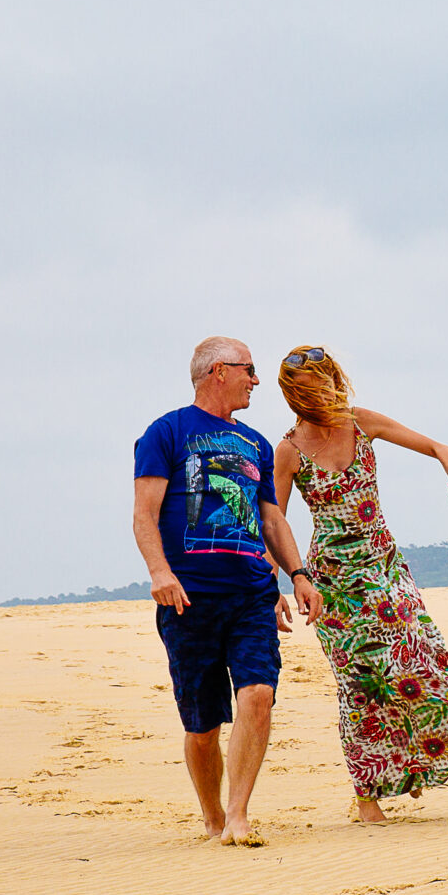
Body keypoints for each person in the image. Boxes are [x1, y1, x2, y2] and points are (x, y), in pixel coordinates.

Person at [269, 345, 448, 823]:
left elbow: (439, 448)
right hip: (333, 583)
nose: (319, 395)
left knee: (417, 658)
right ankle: (367, 795)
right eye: (306, 390)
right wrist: (281, 584)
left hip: (384, 567)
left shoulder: (361, 422)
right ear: (292, 395)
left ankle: (436, 745)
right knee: (359, 685)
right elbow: (274, 521)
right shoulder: (288, 450)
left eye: (323, 384)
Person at [134, 337, 321, 846]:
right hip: (188, 597)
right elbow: (144, 513)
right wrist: (160, 572)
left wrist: (297, 575)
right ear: (219, 370)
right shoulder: (166, 432)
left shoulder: (256, 443)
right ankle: (213, 815)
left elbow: (271, 518)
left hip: (250, 594)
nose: (256, 380)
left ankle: (238, 814)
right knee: (203, 725)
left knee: (258, 694)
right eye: (249, 370)